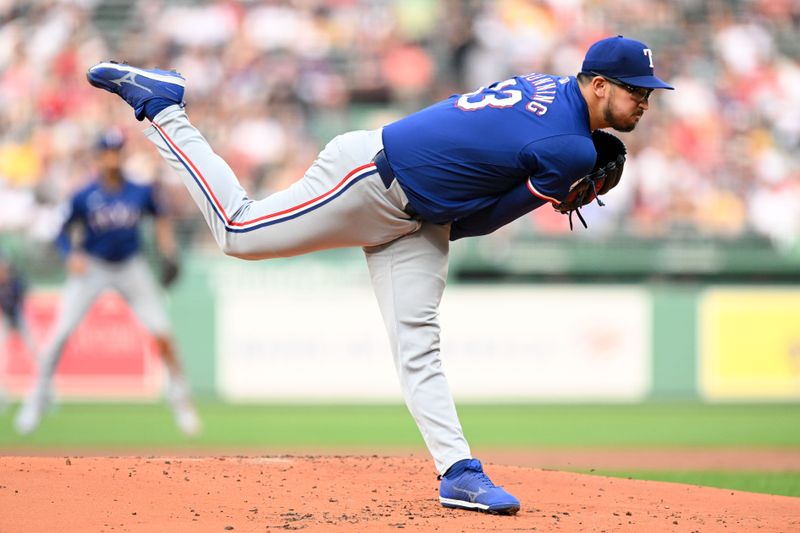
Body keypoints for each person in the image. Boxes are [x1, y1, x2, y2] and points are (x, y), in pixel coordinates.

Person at [86, 35, 672, 514]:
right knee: (238, 232)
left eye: (648, 92)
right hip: (373, 180)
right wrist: (557, 192)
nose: (645, 101)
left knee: (418, 345)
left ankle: (458, 472)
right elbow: (485, 223)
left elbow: (489, 168)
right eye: (636, 90)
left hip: (417, 211)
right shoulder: (568, 148)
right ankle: (162, 108)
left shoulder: (548, 87)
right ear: (598, 86)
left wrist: (436, 227)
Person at [14, 129, 201, 436]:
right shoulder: (84, 195)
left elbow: (161, 216)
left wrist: (166, 247)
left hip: (131, 266)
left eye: (117, 151)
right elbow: (61, 230)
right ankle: (36, 400)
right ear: (99, 157)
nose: (112, 156)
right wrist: (69, 254)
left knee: (162, 333)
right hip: (93, 267)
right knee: (58, 335)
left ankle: (181, 402)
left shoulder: (139, 191)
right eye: (107, 151)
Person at [0, 255, 36, 410]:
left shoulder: (15, 283)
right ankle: (3, 395)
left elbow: (21, 300)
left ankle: (43, 392)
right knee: (2, 357)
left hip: (20, 319)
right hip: (7, 319)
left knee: (36, 353)